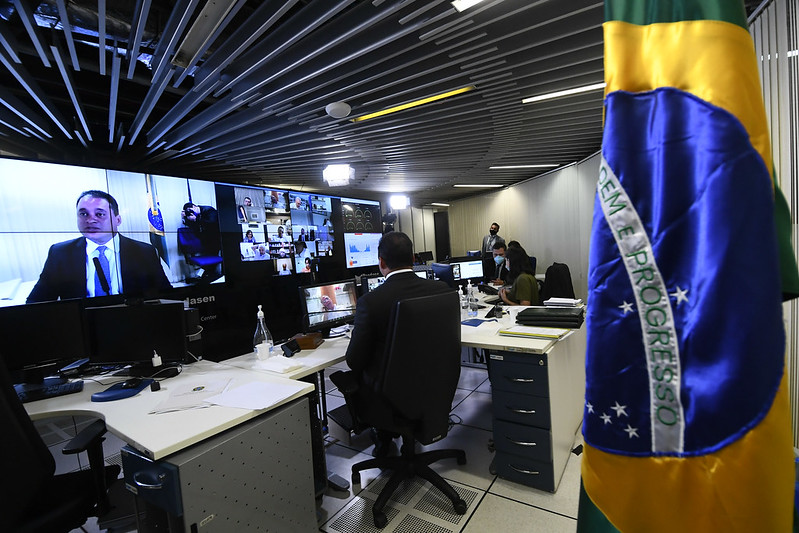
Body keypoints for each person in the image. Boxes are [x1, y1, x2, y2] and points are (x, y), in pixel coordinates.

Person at [344, 231, 452, 457]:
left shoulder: (370, 302)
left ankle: (383, 438)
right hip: (436, 387)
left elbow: (354, 361)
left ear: (381, 262)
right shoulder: (442, 290)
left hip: (391, 399)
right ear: (413, 258)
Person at [27, 190, 172, 303]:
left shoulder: (144, 252)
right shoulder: (60, 253)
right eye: (83, 214)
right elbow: (36, 301)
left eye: (100, 214)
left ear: (118, 220)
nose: (90, 220)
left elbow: (166, 295)